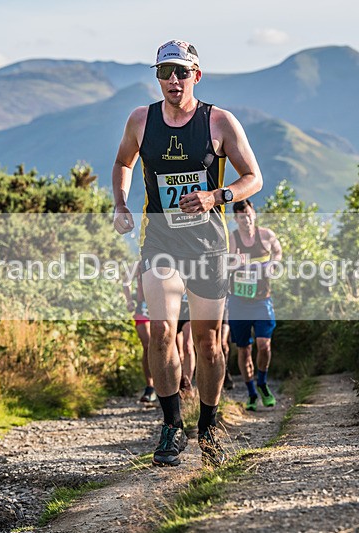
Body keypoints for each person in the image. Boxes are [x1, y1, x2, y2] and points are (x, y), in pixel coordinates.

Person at [112, 39, 263, 467]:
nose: (173, 80)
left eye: (181, 72)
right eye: (165, 72)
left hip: (208, 247)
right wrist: (120, 203)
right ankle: (171, 425)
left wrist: (217, 195)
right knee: (161, 331)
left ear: (197, 75)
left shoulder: (219, 121)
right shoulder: (141, 120)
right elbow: (123, 162)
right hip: (160, 242)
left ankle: (209, 425)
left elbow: (253, 177)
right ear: (157, 77)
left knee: (209, 343)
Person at [227, 199, 282, 411]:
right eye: (242, 217)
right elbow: (223, 264)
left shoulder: (266, 235)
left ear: (254, 214)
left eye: (249, 215)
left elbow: (278, 251)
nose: (246, 220)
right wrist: (235, 262)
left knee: (264, 345)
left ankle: (262, 383)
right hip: (239, 301)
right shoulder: (232, 239)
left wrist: (274, 263)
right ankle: (251, 393)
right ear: (236, 219)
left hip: (262, 300)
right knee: (244, 350)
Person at [123, 263, 157, 404]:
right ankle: (150, 387)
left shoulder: (166, 257)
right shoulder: (137, 264)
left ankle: (174, 385)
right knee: (148, 345)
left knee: (169, 345)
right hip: (142, 307)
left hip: (162, 306)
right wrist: (129, 300)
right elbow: (126, 282)